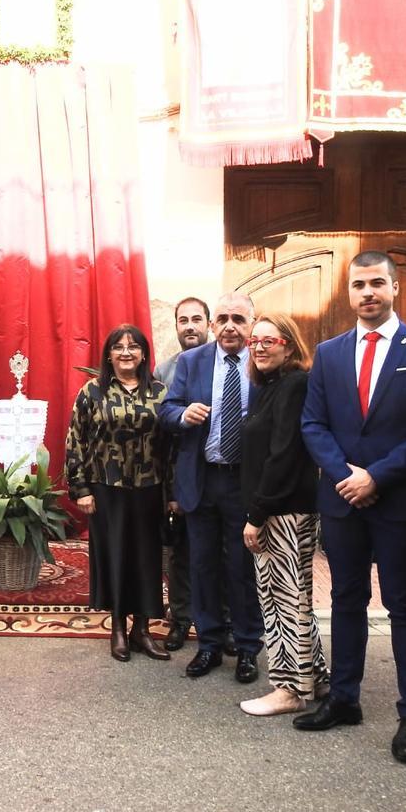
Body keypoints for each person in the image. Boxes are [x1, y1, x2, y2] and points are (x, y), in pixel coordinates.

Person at [296, 251, 406, 765]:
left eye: (377, 283)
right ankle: (344, 699)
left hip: (398, 501)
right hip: (343, 502)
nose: (368, 293)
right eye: (359, 285)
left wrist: (375, 476)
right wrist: (345, 476)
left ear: (395, 288)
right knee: (345, 599)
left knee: (405, 605)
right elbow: (313, 425)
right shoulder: (330, 353)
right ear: (349, 292)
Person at [159, 292, 265, 683]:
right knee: (202, 564)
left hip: (244, 481)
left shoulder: (262, 360)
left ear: (252, 323)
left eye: (239, 318)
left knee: (241, 566)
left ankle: (247, 645)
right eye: (223, 318)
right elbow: (166, 410)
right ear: (213, 324)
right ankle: (208, 645)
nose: (230, 326)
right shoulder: (191, 362)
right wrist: (183, 414)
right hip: (202, 478)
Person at [237, 313, 328, 716]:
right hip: (277, 510)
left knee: (283, 603)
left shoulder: (294, 384)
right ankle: (317, 678)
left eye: (268, 341)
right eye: (253, 341)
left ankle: (290, 689)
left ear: (288, 345)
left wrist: (257, 515)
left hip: (284, 513)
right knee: (290, 600)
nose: (258, 347)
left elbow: (283, 456)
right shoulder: (271, 387)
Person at [67, 324, 171, 662]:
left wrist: (172, 492)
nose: (126, 352)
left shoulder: (160, 392)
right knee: (114, 555)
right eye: (118, 346)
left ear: (143, 354)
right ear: (108, 355)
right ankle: (117, 628)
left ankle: (142, 629)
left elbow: (170, 447)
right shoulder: (92, 392)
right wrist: (81, 488)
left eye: (133, 346)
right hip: (105, 488)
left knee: (146, 558)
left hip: (149, 489)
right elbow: (75, 442)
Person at [154, 297, 229, 653]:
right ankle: (181, 617)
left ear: (209, 323)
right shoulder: (163, 371)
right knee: (182, 554)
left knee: (222, 555)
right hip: (179, 477)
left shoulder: (227, 363)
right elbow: (160, 433)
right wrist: (169, 488)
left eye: (196, 319)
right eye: (183, 320)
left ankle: (222, 622)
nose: (190, 326)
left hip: (220, 477)